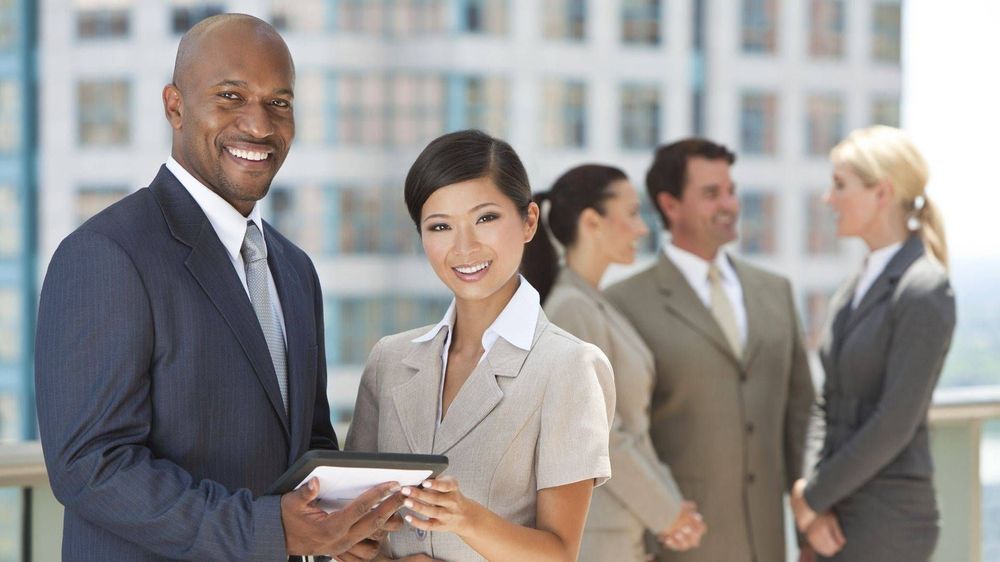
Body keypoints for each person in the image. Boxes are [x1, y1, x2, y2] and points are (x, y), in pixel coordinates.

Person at [34, 14, 403, 560]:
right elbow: (92, 465)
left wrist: (340, 522)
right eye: (230, 96)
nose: (258, 125)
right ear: (175, 106)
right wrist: (269, 530)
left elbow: (308, 443)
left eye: (279, 103)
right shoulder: (107, 254)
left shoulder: (295, 269)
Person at [345, 130, 615, 561]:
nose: (464, 247)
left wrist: (466, 518)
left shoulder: (567, 366)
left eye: (486, 218)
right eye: (440, 227)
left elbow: (560, 554)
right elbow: (357, 529)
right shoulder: (389, 361)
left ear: (529, 221)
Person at [605, 138, 815, 562]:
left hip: (770, 543)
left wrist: (807, 529)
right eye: (711, 194)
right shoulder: (624, 304)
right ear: (670, 205)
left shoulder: (776, 292)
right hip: (681, 545)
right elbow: (620, 434)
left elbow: (801, 417)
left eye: (731, 190)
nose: (730, 205)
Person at [521, 164, 707, 561]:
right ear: (593, 222)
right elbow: (604, 435)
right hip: (599, 534)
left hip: (622, 525)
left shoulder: (595, 303)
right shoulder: (571, 309)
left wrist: (671, 507)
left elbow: (633, 429)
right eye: (633, 213)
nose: (642, 229)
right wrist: (668, 513)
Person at [790, 126, 955, 562]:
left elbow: (895, 422)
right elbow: (827, 400)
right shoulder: (854, 285)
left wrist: (814, 497)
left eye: (840, 185)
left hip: (887, 521)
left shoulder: (924, 289)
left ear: (882, 192)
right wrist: (810, 496)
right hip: (833, 512)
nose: (829, 199)